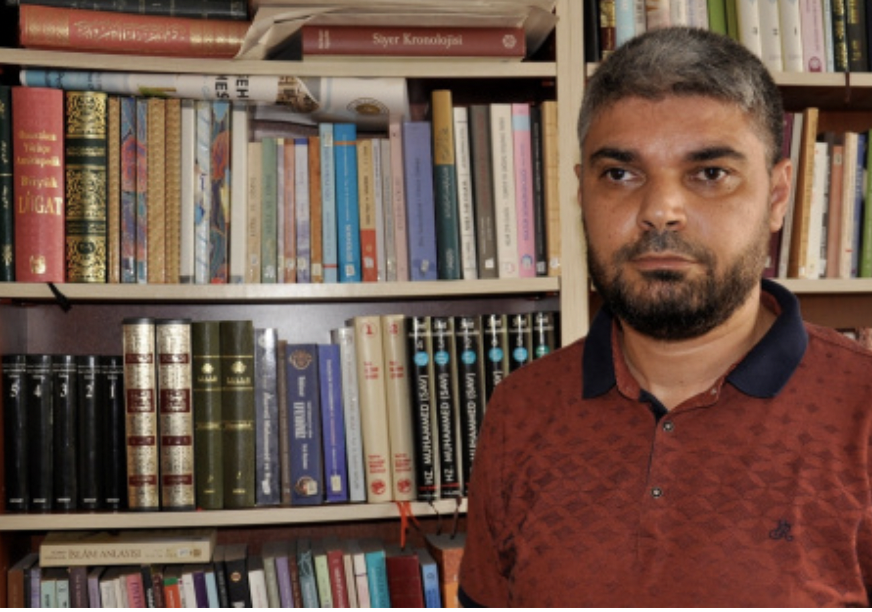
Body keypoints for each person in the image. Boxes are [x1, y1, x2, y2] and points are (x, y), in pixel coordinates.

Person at [457, 26, 872, 607]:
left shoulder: (862, 411)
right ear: (581, 194)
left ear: (778, 197)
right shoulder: (519, 410)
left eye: (710, 173)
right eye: (620, 174)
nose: (659, 210)